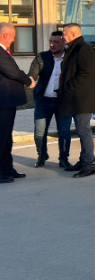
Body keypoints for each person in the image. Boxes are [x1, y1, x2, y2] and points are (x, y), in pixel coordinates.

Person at [58, 23, 95, 178]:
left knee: (83, 130)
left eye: (64, 34)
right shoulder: (74, 48)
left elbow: (85, 74)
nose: (62, 37)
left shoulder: (84, 49)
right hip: (75, 98)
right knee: (82, 130)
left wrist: (68, 86)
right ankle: (83, 161)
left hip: (82, 99)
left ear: (73, 34)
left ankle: (89, 164)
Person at [28, 31, 73, 168]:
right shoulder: (42, 57)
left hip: (63, 102)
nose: (52, 45)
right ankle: (42, 155)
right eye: (50, 42)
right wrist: (30, 79)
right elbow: (33, 73)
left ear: (64, 43)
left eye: (56, 42)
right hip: (44, 101)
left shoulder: (70, 58)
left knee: (64, 132)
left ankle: (64, 159)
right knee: (39, 132)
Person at [0, 22, 35, 183]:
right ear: (5, 35)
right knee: (2, 137)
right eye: (13, 37)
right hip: (3, 101)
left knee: (7, 138)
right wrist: (28, 81)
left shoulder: (3, 51)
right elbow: (13, 72)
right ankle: (2, 171)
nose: (13, 40)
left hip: (7, 101)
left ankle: (8, 168)